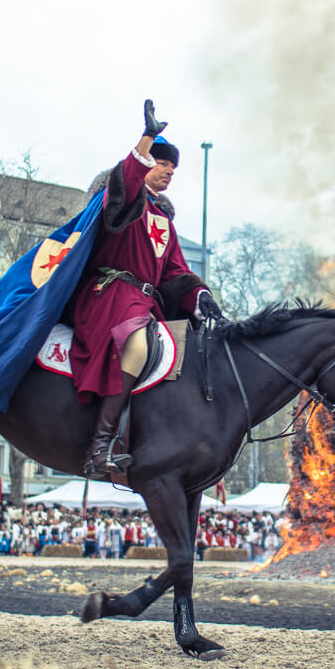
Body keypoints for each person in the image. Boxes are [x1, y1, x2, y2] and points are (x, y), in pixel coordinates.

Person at [68, 101, 222, 478]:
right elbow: (123, 188)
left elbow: (175, 272)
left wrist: (199, 296)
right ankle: (100, 446)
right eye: (162, 162)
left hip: (145, 301)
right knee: (137, 342)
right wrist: (146, 140)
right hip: (109, 293)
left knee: (186, 352)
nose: (168, 170)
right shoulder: (121, 199)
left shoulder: (164, 218)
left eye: (172, 166)